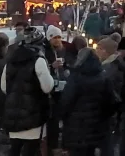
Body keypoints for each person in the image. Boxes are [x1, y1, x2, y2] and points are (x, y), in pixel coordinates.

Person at [2, 27, 55, 156]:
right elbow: (47, 87)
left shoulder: (10, 61)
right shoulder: (38, 60)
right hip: (33, 113)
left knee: (14, 149)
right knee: (31, 150)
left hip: (13, 113)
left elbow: (4, 87)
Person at [61, 48, 120, 156]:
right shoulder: (104, 77)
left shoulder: (75, 78)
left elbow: (66, 101)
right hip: (97, 128)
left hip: (76, 128)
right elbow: (112, 102)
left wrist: (64, 117)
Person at [44, 25, 77, 154]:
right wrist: (52, 67)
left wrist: (67, 67)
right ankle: (52, 145)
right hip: (52, 89)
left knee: (66, 118)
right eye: (54, 38)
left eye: (59, 37)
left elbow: (73, 64)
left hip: (65, 88)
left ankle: (65, 145)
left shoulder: (67, 50)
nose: (57, 40)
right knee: (53, 120)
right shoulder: (45, 52)